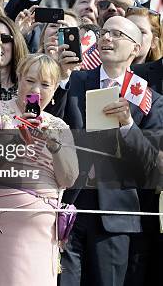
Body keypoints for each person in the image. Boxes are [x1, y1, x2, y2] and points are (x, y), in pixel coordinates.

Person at [55, 16, 163, 286]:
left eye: (117, 34)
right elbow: (50, 122)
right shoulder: (76, 80)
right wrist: (60, 80)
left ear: (135, 49)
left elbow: (151, 163)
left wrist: (128, 125)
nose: (107, 38)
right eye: (104, 32)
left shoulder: (148, 98)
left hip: (118, 217)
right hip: (72, 207)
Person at [0, 53, 79, 286]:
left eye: (45, 84)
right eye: (30, 81)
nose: (36, 89)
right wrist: (17, 137)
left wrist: (54, 145)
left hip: (41, 228)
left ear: (54, 90)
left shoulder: (59, 125)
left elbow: (69, 178)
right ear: (19, 79)